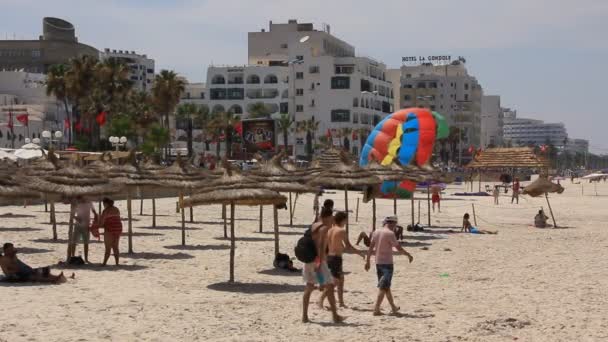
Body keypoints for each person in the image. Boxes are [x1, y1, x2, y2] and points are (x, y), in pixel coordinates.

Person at [301, 207, 344, 323]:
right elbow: (320, 246)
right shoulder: (324, 228)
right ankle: (335, 316)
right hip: (318, 261)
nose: (332, 220)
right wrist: (319, 264)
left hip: (309, 260)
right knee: (329, 287)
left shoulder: (314, 225)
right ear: (329, 217)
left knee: (309, 287)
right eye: (331, 218)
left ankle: (304, 316)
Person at [364, 216, 413, 316]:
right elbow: (398, 247)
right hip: (387, 264)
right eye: (395, 225)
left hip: (378, 263)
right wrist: (408, 254)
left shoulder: (376, 232)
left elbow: (371, 248)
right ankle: (376, 309)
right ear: (392, 224)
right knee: (383, 287)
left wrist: (368, 261)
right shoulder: (390, 234)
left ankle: (393, 308)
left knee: (386, 286)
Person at [318, 211, 365, 309]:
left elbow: (326, 245)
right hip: (336, 258)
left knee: (341, 280)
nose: (347, 221)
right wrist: (359, 253)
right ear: (343, 220)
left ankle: (341, 302)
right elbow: (348, 246)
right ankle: (321, 300)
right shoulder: (341, 231)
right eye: (346, 219)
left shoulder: (330, 230)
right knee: (335, 282)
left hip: (330, 257)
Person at [0, 243, 69, 283]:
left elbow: (16, 262)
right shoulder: (3, 260)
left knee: (44, 270)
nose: (13, 250)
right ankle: (53, 280)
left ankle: (56, 277)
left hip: (25, 271)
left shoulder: (11, 256)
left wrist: (14, 254)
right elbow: (7, 273)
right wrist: (16, 272)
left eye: (13, 248)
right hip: (19, 275)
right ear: (6, 250)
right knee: (35, 276)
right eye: (11, 249)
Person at [69, 196, 96, 263]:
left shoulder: (89, 203)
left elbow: (94, 212)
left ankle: (86, 258)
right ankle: (73, 256)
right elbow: (72, 214)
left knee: (86, 242)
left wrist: (96, 220)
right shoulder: (77, 204)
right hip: (78, 225)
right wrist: (77, 218)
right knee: (74, 242)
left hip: (86, 226)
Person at [99, 197, 122, 266]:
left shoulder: (106, 210)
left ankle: (104, 263)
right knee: (115, 247)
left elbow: (101, 223)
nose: (103, 205)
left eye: (104, 203)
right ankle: (117, 263)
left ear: (106, 203)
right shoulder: (116, 209)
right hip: (118, 229)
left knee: (108, 247)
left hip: (109, 229)